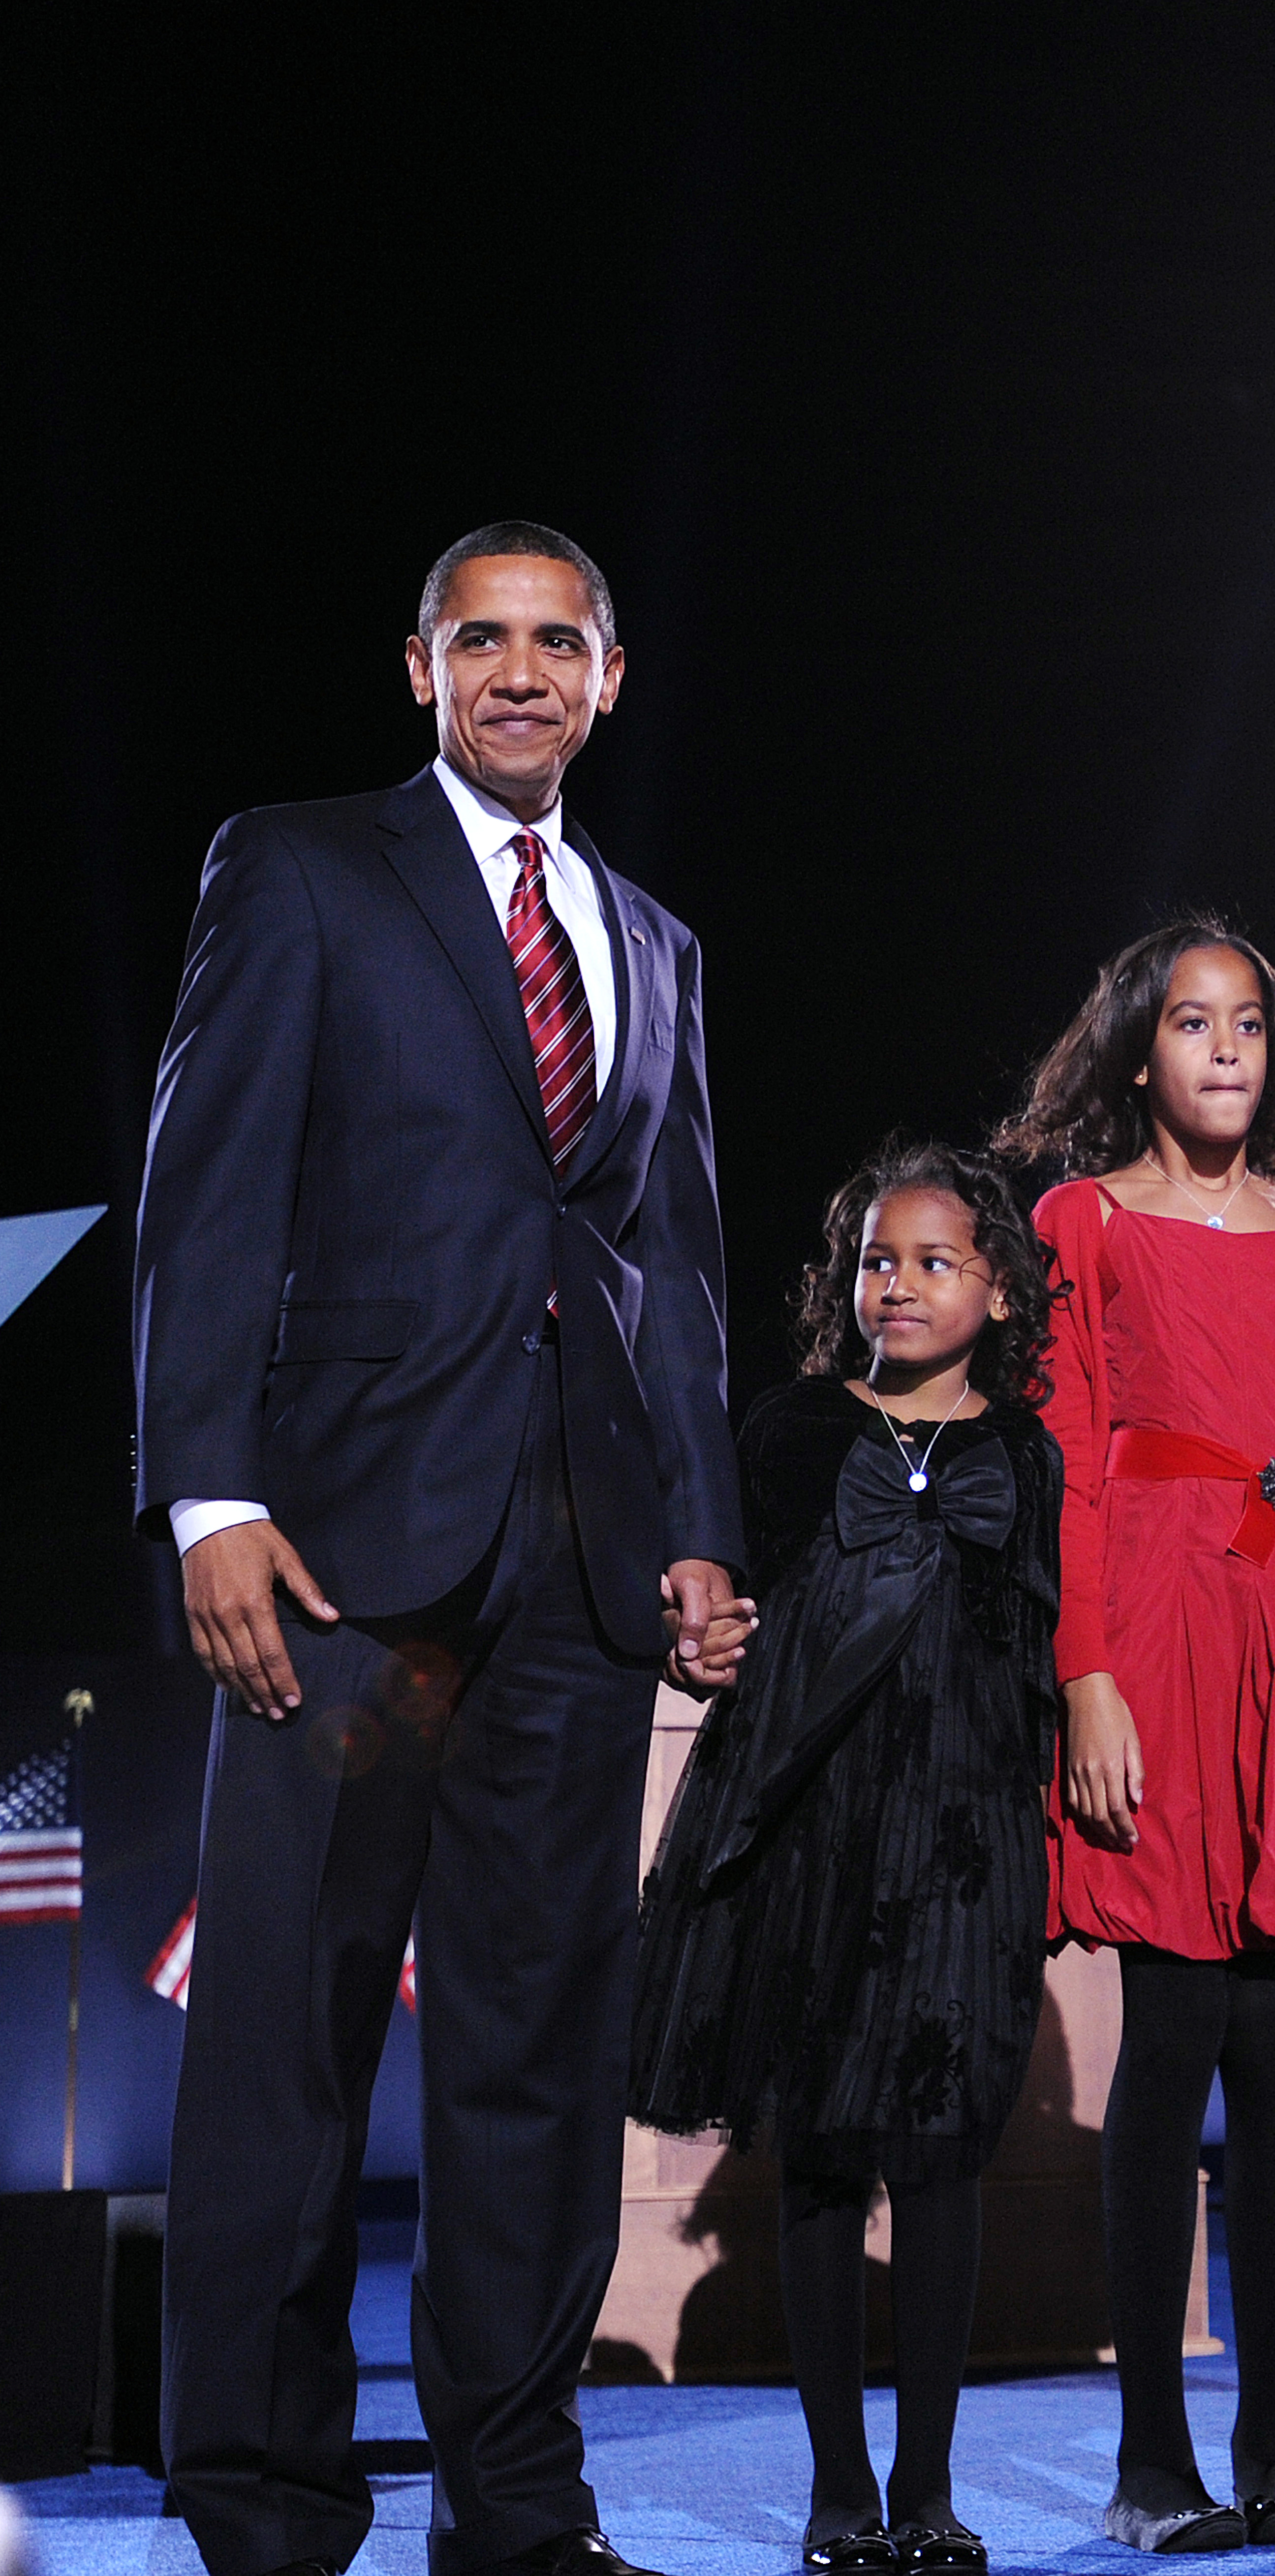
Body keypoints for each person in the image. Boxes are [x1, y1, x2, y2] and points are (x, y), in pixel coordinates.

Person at [133, 521, 746, 2576]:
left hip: (575, 1579)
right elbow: (204, 1185)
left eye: (552, 641)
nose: (515, 671)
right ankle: (265, 2507)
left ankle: (518, 2510)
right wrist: (212, 1493)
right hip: (334, 1565)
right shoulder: (301, 867)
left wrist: (696, 1533)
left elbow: (677, 1266)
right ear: (417, 670)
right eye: (476, 638)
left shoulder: (649, 939)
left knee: (535, 2060)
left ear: (609, 677)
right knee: (285, 2051)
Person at [995, 930, 1275, 2554]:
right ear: (1135, 1052)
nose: (1221, 1046)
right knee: (1168, 2049)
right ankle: (1154, 2461)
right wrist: (1085, 1675)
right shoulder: (1076, 1223)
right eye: (1188, 1021)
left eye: (1247, 1024)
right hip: (1146, 1633)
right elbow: (1063, 1457)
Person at [629, 1143, 1066, 2576]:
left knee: (940, 2157)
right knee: (821, 2151)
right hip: (817, 1829)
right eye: (880, 1258)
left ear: (998, 1288)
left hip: (963, 1837)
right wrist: (704, 1640)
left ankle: (929, 2489)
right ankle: (837, 2491)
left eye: (937, 1260)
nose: (901, 1283)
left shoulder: (1029, 1450)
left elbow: (1039, 1646)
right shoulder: (793, 1431)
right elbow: (726, 1613)